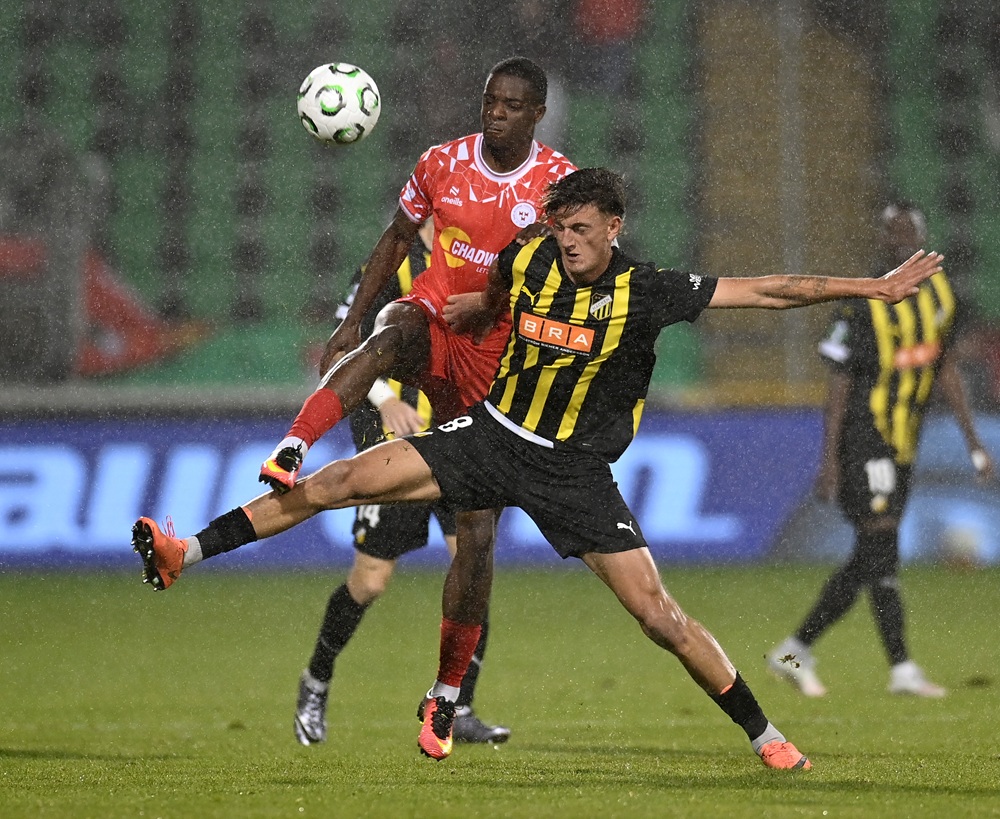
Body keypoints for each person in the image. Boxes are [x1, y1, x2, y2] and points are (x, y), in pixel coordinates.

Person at [132, 168, 945, 771]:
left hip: (574, 473)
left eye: (583, 229)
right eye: (562, 228)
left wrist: (869, 287)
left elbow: (768, 290)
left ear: (614, 227)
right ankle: (183, 553)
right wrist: (477, 307)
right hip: (491, 435)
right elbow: (495, 288)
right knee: (336, 483)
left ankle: (766, 734)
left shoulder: (648, 289)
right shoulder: (530, 257)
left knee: (659, 616)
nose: (569, 241)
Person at [294, 218, 509, 747]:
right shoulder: (391, 266)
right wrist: (386, 398)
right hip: (398, 443)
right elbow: (344, 348)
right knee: (370, 581)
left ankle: (457, 706)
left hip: (463, 441)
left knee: (473, 568)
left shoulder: (485, 263)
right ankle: (316, 680)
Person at [767, 201, 993, 698]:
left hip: (904, 443)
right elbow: (839, 383)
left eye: (908, 231)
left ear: (923, 237)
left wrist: (973, 441)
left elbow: (945, 368)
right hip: (863, 440)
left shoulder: (942, 295)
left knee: (873, 556)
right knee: (881, 543)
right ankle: (899, 669)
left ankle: (795, 652)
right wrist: (829, 460)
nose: (900, 240)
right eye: (892, 232)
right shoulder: (861, 302)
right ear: (881, 238)